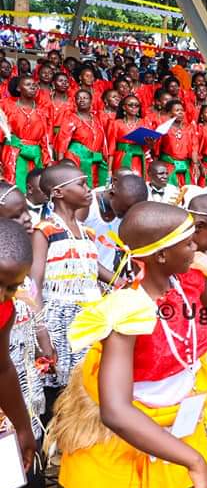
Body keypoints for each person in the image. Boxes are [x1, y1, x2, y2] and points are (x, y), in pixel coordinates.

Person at [49, 203, 207, 488]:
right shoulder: (127, 312)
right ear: (161, 255)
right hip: (121, 444)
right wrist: (192, 459)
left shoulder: (187, 280)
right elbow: (116, 412)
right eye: (188, 242)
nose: (198, 246)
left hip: (178, 427)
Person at [29, 164, 100, 413]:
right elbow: (34, 282)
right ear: (58, 192)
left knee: (87, 390)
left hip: (88, 321)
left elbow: (94, 267)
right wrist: (41, 331)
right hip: (58, 323)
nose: (88, 189)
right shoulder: (45, 231)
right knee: (59, 395)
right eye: (81, 184)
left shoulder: (87, 233)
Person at [0, 219, 43, 488]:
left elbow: (1, 368)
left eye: (11, 288)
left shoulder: (5, 308)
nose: (1, 295)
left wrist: (23, 428)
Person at [2, 76, 52, 190]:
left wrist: (47, 161)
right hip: (14, 154)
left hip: (35, 154)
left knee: (35, 188)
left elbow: (45, 138)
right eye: (28, 85)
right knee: (14, 189)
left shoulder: (42, 111)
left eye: (34, 85)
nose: (33, 87)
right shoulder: (7, 106)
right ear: (19, 88)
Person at [56, 89, 109, 187]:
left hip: (95, 158)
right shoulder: (71, 118)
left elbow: (103, 140)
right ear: (75, 101)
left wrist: (105, 157)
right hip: (76, 158)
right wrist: (61, 164)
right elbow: (62, 141)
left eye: (85, 98)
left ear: (91, 101)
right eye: (79, 98)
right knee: (79, 186)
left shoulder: (96, 118)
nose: (82, 100)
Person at [107, 95, 148, 176]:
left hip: (139, 158)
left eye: (137, 105)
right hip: (122, 157)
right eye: (130, 105)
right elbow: (111, 148)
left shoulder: (144, 122)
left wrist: (150, 143)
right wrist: (109, 170)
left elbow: (147, 147)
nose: (134, 107)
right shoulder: (116, 123)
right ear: (124, 107)